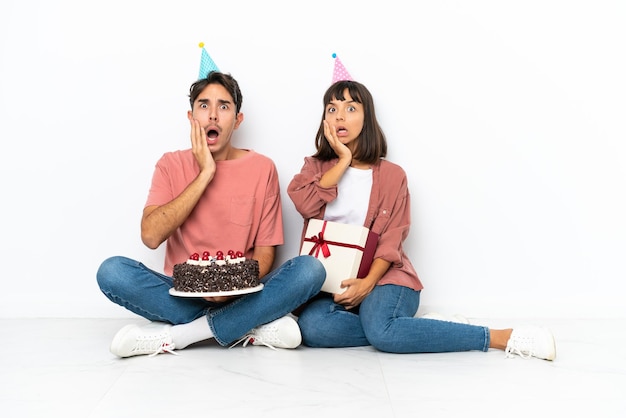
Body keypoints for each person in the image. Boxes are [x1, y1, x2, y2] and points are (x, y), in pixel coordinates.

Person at [287, 79, 556, 360]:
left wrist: (367, 283)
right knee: (313, 328)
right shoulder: (314, 168)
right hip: (332, 284)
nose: (339, 116)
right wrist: (343, 160)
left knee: (382, 332)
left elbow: (391, 241)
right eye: (331, 109)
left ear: (367, 119)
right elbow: (304, 204)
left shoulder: (392, 176)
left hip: (383, 277)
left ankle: (500, 337)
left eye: (351, 108)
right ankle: (424, 329)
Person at [97, 71, 325, 358]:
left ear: (238, 119)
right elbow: (151, 236)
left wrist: (232, 288)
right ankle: (247, 324)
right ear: (191, 117)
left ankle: (182, 336)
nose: (213, 116)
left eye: (224, 106)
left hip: (244, 291)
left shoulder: (262, 167)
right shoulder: (170, 164)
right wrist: (205, 173)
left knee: (310, 270)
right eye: (204, 106)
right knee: (112, 272)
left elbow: (266, 254)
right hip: (181, 295)